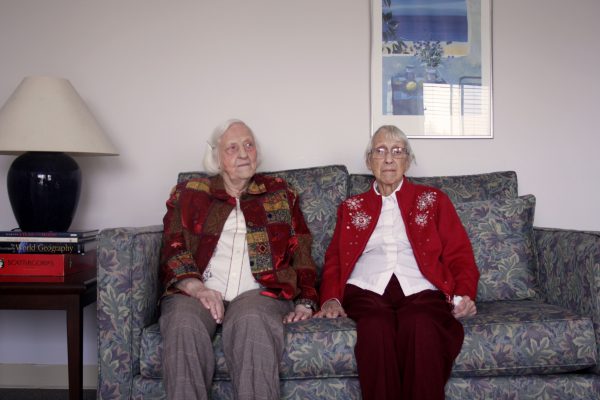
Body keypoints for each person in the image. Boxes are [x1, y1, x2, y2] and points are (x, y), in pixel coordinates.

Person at [315, 125, 479, 400]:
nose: (389, 158)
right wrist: (331, 297)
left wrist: (463, 294)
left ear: (408, 159)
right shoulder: (351, 206)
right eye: (380, 151)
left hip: (420, 284)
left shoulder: (433, 199)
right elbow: (334, 259)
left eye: (397, 151)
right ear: (370, 161)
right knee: (375, 327)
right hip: (367, 286)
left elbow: (459, 253)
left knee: (422, 323)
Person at [158, 119, 318, 400]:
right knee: (183, 324)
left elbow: (301, 248)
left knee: (252, 321)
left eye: (248, 145)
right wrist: (196, 288)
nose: (244, 153)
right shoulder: (191, 193)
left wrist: (306, 300)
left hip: (259, 292)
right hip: (198, 290)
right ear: (217, 158)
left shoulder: (279, 193)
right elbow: (173, 246)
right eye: (232, 147)